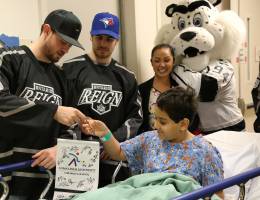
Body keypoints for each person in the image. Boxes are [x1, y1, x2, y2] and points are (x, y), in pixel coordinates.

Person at [0, 9, 87, 199]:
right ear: (46, 30)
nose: (66, 49)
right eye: (63, 41)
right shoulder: (7, 58)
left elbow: (74, 124)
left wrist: (61, 149)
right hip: (7, 176)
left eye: (70, 45)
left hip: (47, 182)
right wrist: (53, 110)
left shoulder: (63, 78)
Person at [81, 86, 224, 199]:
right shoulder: (150, 139)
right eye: (155, 118)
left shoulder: (205, 152)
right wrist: (104, 134)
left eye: (162, 121)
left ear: (183, 124)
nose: (155, 125)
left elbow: (217, 195)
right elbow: (118, 152)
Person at [62, 12, 143, 187]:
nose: (103, 44)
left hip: (113, 158)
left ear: (117, 40)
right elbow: (60, 111)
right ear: (91, 37)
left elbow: (135, 117)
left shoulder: (127, 76)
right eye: (99, 37)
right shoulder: (69, 69)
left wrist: (111, 140)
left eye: (109, 39)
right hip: (77, 158)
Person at [138, 44, 199, 134]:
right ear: (151, 62)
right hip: (152, 142)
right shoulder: (141, 90)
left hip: (178, 141)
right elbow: (138, 122)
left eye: (166, 60)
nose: (162, 65)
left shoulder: (182, 87)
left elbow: (193, 119)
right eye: (157, 61)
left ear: (173, 61)